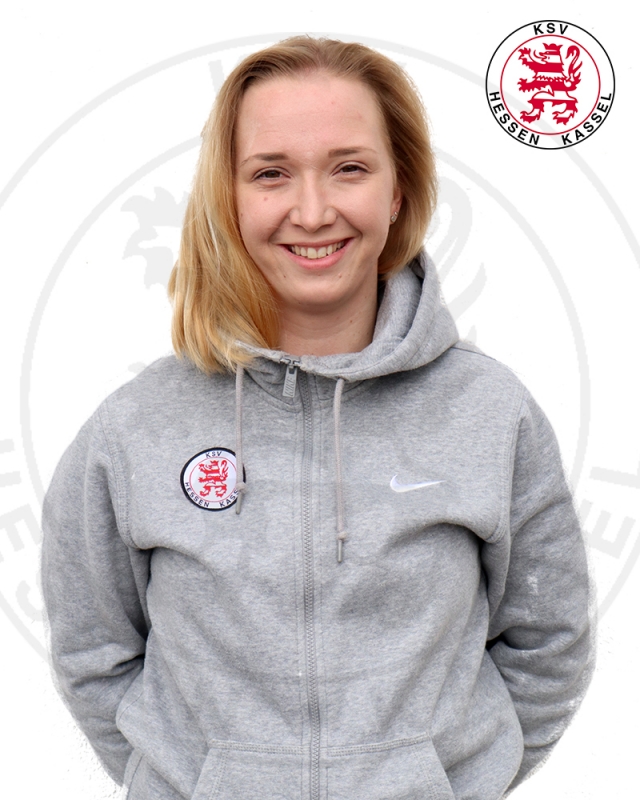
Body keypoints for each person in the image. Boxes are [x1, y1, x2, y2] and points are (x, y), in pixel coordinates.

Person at [41, 36, 594, 800]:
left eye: (349, 168)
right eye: (271, 173)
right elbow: (92, 653)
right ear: (229, 198)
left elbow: (550, 642)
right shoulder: (132, 430)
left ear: (398, 191)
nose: (312, 211)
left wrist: (451, 782)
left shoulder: (492, 416)